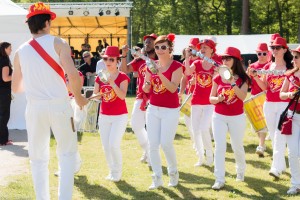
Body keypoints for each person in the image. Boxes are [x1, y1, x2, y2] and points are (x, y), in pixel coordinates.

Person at [11, 2, 88, 200]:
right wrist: (79, 98)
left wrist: (37, 82)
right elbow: (73, 75)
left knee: (37, 158)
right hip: (59, 105)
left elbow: (16, 88)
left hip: (35, 107)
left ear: (29, 24)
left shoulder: (20, 51)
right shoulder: (59, 43)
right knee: (67, 154)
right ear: (46, 22)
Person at [143, 34, 183, 190]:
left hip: (170, 110)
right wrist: (146, 86)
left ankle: (173, 173)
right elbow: (147, 86)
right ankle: (157, 177)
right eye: (157, 47)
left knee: (166, 144)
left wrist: (158, 73)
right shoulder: (150, 65)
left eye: (163, 47)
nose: (159, 50)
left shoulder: (177, 66)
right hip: (153, 108)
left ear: (170, 49)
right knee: (152, 145)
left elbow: (173, 88)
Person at [210, 47, 251, 190]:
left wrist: (232, 82)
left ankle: (240, 172)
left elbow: (242, 96)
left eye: (228, 58)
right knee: (220, 147)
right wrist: (218, 98)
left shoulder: (244, 78)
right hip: (219, 116)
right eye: (223, 58)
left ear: (236, 61)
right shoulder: (216, 77)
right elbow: (211, 98)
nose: (225, 61)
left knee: (237, 146)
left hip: (237, 117)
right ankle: (219, 179)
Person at [252, 37, 293, 179]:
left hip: (284, 103)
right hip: (269, 104)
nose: (274, 50)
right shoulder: (267, 67)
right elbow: (265, 88)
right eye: (273, 48)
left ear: (284, 49)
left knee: (278, 135)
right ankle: (281, 165)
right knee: (274, 134)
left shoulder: (290, 67)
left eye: (278, 48)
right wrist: (256, 77)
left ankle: (275, 167)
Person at [93, 46, 130, 182]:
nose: (108, 61)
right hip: (104, 115)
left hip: (120, 116)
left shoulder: (123, 77)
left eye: (111, 59)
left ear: (117, 61)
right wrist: (97, 95)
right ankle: (111, 170)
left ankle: (117, 172)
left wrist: (111, 83)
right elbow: (96, 96)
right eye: (105, 59)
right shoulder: (99, 77)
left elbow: (122, 96)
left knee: (113, 144)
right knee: (106, 146)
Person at [119, 34, 158, 165]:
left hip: (156, 98)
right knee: (135, 124)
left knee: (152, 128)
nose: (147, 44)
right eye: (145, 42)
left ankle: (152, 154)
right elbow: (123, 70)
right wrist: (124, 55)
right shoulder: (139, 60)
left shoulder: (161, 59)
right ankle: (147, 149)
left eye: (150, 42)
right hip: (141, 97)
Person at [185, 38, 219, 167]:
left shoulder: (216, 64)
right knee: (195, 130)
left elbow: (224, 78)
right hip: (196, 101)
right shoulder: (198, 63)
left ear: (211, 49)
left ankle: (210, 155)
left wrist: (217, 72)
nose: (202, 50)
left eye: (205, 47)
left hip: (210, 102)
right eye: (201, 47)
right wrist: (188, 58)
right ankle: (200, 157)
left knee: (204, 128)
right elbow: (188, 72)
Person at [280, 45, 300, 195]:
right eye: (293, 56)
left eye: (297, 57)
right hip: (292, 117)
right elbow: (281, 94)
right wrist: (289, 95)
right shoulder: (290, 75)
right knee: (292, 152)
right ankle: (295, 184)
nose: (293, 60)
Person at [246, 43, 269, 157]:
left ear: (268, 53)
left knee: (262, 122)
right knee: (256, 124)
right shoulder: (253, 66)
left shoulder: (270, 66)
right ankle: (262, 143)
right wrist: (247, 75)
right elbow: (248, 84)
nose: (261, 55)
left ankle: (261, 145)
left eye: (264, 53)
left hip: (265, 96)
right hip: (254, 96)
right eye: (259, 53)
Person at [178, 38, 200, 154]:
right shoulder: (186, 61)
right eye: (189, 47)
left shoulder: (203, 60)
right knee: (187, 120)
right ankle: (195, 142)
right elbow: (184, 78)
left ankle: (201, 144)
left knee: (199, 122)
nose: (190, 49)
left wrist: (196, 81)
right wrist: (181, 92)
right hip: (189, 94)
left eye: (193, 47)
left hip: (201, 96)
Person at [0, 42, 13, 146]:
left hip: (2, 92)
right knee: (4, 116)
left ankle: (4, 139)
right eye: (9, 48)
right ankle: (3, 140)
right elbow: (5, 78)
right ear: (4, 49)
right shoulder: (4, 61)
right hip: (4, 92)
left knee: (2, 115)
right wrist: (17, 76)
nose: (11, 50)